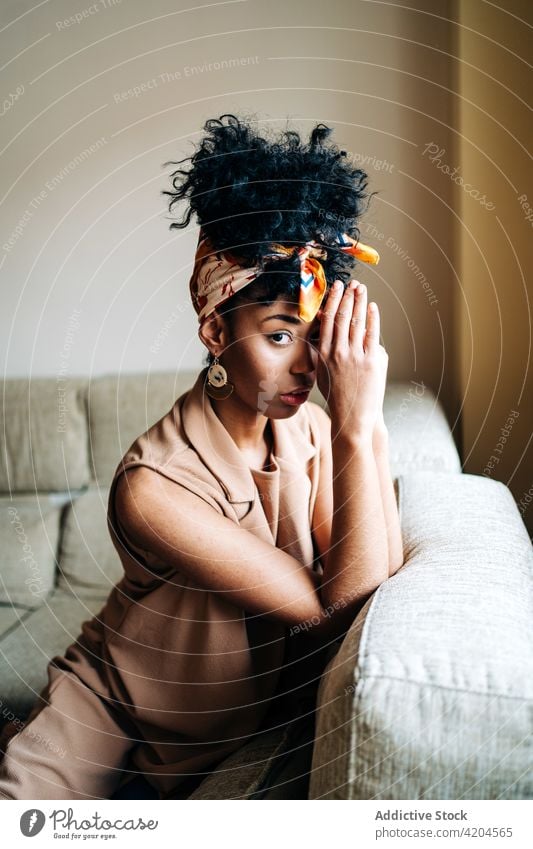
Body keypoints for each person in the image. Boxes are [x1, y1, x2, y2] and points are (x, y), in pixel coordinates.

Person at [0, 113, 403, 800]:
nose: (308, 364)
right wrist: (356, 422)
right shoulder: (151, 486)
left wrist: (357, 420)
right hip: (113, 711)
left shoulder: (312, 430)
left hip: (225, 727)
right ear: (216, 327)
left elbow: (370, 589)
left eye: (315, 337)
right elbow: (324, 610)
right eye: (279, 335)